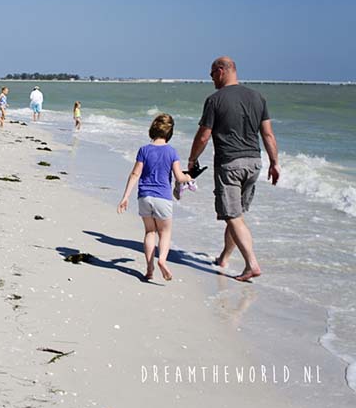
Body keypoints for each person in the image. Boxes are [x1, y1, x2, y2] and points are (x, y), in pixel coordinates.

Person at [187, 56, 280, 282]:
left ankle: (251, 264)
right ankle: (224, 258)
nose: (211, 79)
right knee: (236, 214)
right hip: (254, 162)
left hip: (230, 163)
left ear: (221, 71)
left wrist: (192, 160)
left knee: (232, 215)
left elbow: (204, 135)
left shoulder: (215, 100)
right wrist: (274, 162)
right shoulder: (258, 97)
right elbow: (267, 134)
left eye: (211, 74)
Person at [117, 114, 192, 281]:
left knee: (150, 232)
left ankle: (149, 269)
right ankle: (162, 261)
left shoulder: (144, 150)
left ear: (153, 129)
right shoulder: (171, 151)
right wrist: (189, 178)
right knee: (164, 232)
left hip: (144, 197)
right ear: (170, 132)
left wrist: (125, 197)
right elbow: (179, 178)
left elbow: (135, 174)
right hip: (163, 198)